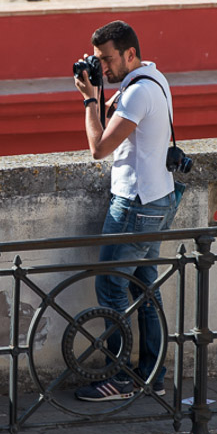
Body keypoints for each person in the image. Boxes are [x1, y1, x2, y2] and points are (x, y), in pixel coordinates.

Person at [72, 20, 182, 402]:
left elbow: (99, 148)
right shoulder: (154, 80)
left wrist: (88, 101)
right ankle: (152, 374)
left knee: (111, 286)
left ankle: (118, 379)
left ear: (130, 53)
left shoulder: (136, 93)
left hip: (135, 203)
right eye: (99, 60)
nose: (102, 67)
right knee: (145, 290)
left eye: (107, 59)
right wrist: (100, 91)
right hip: (159, 199)